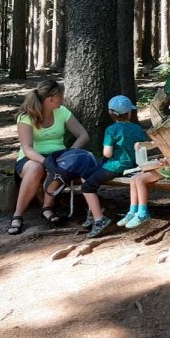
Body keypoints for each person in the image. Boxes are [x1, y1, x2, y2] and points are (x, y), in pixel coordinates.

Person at [7, 79, 92, 235]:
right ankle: (17, 215)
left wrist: (70, 154)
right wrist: (46, 162)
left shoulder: (62, 112)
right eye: (60, 96)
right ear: (50, 98)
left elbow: (83, 135)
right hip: (32, 158)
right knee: (36, 168)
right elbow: (27, 148)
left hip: (58, 155)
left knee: (61, 165)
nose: (63, 99)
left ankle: (47, 208)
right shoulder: (26, 117)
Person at [71, 95, 149, 235]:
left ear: (110, 112)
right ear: (129, 113)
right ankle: (94, 210)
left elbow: (107, 154)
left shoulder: (111, 130)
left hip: (116, 166)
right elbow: (143, 146)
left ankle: (99, 220)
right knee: (85, 175)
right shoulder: (137, 128)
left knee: (87, 187)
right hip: (134, 165)